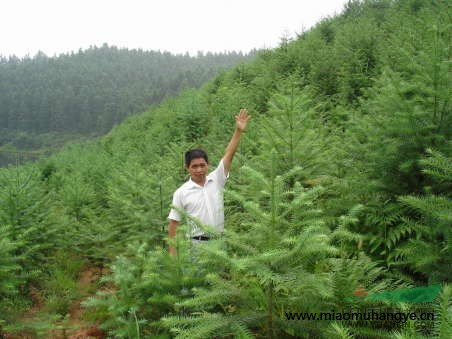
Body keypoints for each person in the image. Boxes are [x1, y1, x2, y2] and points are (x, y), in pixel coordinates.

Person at [168, 108, 250, 255]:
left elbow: (229, 155)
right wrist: (173, 254)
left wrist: (238, 131)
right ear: (187, 168)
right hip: (197, 246)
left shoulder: (216, 180)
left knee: (219, 277)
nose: (199, 169)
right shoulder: (181, 193)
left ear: (207, 164)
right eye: (194, 166)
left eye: (202, 165)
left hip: (219, 243)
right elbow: (174, 223)